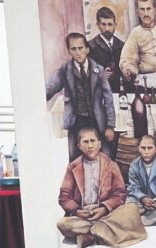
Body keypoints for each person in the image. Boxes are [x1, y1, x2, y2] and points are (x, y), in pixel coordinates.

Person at [57, 127, 146, 248]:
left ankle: (91, 236)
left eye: (93, 141)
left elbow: (120, 193)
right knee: (62, 224)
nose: (90, 146)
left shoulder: (111, 165)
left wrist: (104, 208)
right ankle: (103, 232)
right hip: (84, 216)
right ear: (79, 146)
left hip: (106, 214)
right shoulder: (72, 167)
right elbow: (64, 196)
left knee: (132, 209)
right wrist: (77, 211)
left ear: (99, 144)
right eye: (85, 142)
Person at [46, 32, 116, 161]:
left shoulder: (99, 70)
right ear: (69, 51)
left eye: (81, 48)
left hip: (96, 120)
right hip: (76, 121)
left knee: (104, 157)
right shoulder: (65, 70)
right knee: (75, 158)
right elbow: (51, 87)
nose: (78, 52)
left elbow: (108, 99)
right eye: (74, 49)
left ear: (87, 49)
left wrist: (110, 126)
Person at [87, 7, 125, 93]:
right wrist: (100, 75)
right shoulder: (90, 46)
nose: (107, 28)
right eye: (103, 24)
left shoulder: (122, 45)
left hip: (120, 91)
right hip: (99, 92)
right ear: (98, 25)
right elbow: (86, 72)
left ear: (115, 24)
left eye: (110, 24)